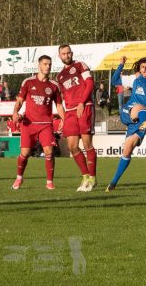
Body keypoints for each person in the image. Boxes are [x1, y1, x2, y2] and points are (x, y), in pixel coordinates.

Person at [106, 56, 146, 192]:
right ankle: (144, 123)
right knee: (140, 107)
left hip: (144, 118)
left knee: (128, 149)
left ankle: (112, 183)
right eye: (142, 67)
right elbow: (115, 81)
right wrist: (121, 64)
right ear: (139, 68)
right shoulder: (134, 79)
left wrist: (142, 79)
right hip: (130, 111)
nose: (145, 69)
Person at [11, 55, 65, 190]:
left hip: (46, 124)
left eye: (50, 64)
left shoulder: (54, 86)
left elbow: (59, 106)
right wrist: (15, 112)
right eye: (45, 64)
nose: (48, 66)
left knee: (49, 152)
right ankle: (19, 178)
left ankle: (49, 182)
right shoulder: (28, 82)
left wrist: (65, 119)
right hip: (29, 124)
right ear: (39, 65)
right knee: (25, 154)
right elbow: (19, 100)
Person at [57, 44, 98, 192]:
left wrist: (82, 103)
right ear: (59, 56)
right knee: (72, 147)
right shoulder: (60, 76)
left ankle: (92, 178)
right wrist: (64, 117)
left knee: (87, 145)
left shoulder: (81, 65)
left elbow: (90, 84)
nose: (66, 55)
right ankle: (85, 176)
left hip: (85, 106)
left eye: (68, 53)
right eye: (63, 54)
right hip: (70, 112)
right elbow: (63, 96)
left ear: (71, 53)